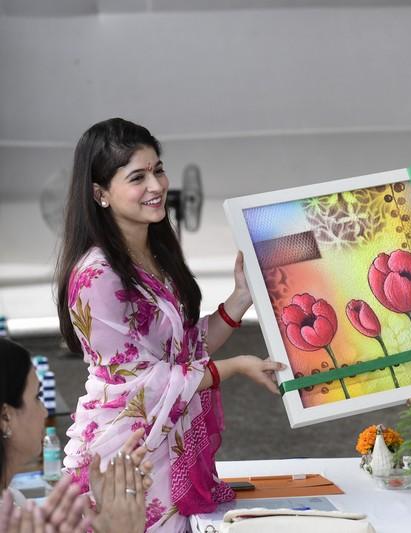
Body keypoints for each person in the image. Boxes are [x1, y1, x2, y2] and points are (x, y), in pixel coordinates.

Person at [55, 118, 285, 532]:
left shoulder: (156, 254)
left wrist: (241, 298)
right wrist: (233, 368)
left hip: (165, 444)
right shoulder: (96, 276)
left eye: (158, 170)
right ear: (100, 193)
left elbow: (183, 353)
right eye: (137, 177)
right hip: (125, 457)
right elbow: (143, 381)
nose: (156, 186)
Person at [0, 337, 151, 533]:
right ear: (5, 416)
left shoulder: (13, 503)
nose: (44, 412)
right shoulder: (10, 519)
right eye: (37, 397)